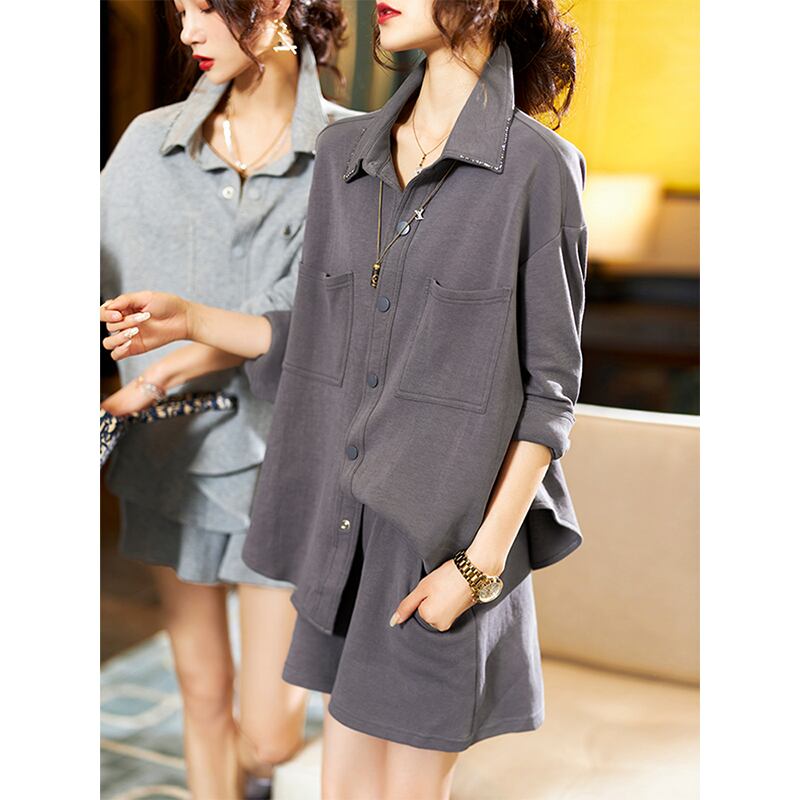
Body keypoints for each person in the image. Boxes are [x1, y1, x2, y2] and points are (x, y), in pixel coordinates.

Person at [101, 0, 588, 796]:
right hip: (346, 541)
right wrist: (189, 320)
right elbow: (319, 336)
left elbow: (550, 394)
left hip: (445, 546)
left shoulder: (539, 167)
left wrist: (477, 567)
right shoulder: (346, 154)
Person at [100, 1, 356, 797]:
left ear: (273, 4)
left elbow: (311, 313)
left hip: (289, 465)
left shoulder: (348, 152)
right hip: (173, 456)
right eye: (180, 10)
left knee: (269, 734)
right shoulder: (148, 144)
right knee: (201, 693)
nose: (186, 31)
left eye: (207, 8)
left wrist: (169, 367)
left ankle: (256, 777)